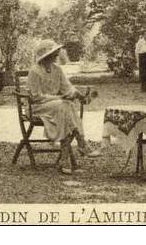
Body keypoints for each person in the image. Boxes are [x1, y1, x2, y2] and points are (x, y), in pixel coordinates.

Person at [28, 39, 100, 175]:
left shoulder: (57, 70)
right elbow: (35, 97)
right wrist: (59, 98)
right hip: (39, 107)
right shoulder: (35, 71)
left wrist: (77, 95)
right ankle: (81, 143)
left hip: (59, 107)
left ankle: (65, 159)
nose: (56, 55)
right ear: (46, 55)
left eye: (56, 53)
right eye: (54, 53)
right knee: (65, 105)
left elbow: (67, 88)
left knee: (66, 106)